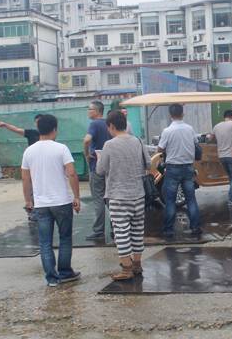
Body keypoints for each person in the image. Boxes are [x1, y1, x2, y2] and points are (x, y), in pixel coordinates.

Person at [21, 114, 82, 287]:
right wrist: (76, 196)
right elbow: (71, 173)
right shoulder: (61, 148)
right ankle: (65, 272)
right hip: (62, 201)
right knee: (65, 238)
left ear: (38, 129)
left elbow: (25, 179)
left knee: (45, 242)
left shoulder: (29, 151)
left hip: (41, 204)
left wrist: (28, 200)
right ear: (54, 129)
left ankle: (52, 279)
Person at [97, 110, 153, 281]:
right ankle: (137, 264)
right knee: (137, 231)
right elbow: (148, 163)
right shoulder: (137, 141)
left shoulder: (109, 145)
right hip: (138, 194)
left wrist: (100, 158)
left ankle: (126, 269)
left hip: (118, 196)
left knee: (121, 232)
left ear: (112, 126)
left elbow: (100, 170)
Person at [157, 103, 201, 239]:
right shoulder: (190, 129)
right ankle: (195, 228)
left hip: (173, 169)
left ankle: (168, 230)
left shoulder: (167, 131)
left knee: (170, 201)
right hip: (188, 167)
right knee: (191, 199)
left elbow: (160, 149)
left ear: (170, 115)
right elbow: (195, 144)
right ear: (183, 114)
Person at [0, 115, 42, 220]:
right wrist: (5, 125)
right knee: (30, 187)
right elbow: (17, 130)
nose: (38, 124)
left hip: (43, 165)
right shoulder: (32, 133)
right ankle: (32, 209)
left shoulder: (49, 135)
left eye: (40, 122)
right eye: (37, 122)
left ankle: (42, 210)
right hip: (32, 164)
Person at [83, 100, 111, 241]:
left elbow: (87, 140)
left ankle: (99, 231)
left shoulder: (94, 124)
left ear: (97, 111)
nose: (88, 111)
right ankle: (116, 227)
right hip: (110, 167)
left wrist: (87, 154)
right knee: (110, 198)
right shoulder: (108, 124)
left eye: (90, 109)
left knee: (98, 198)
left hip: (97, 166)